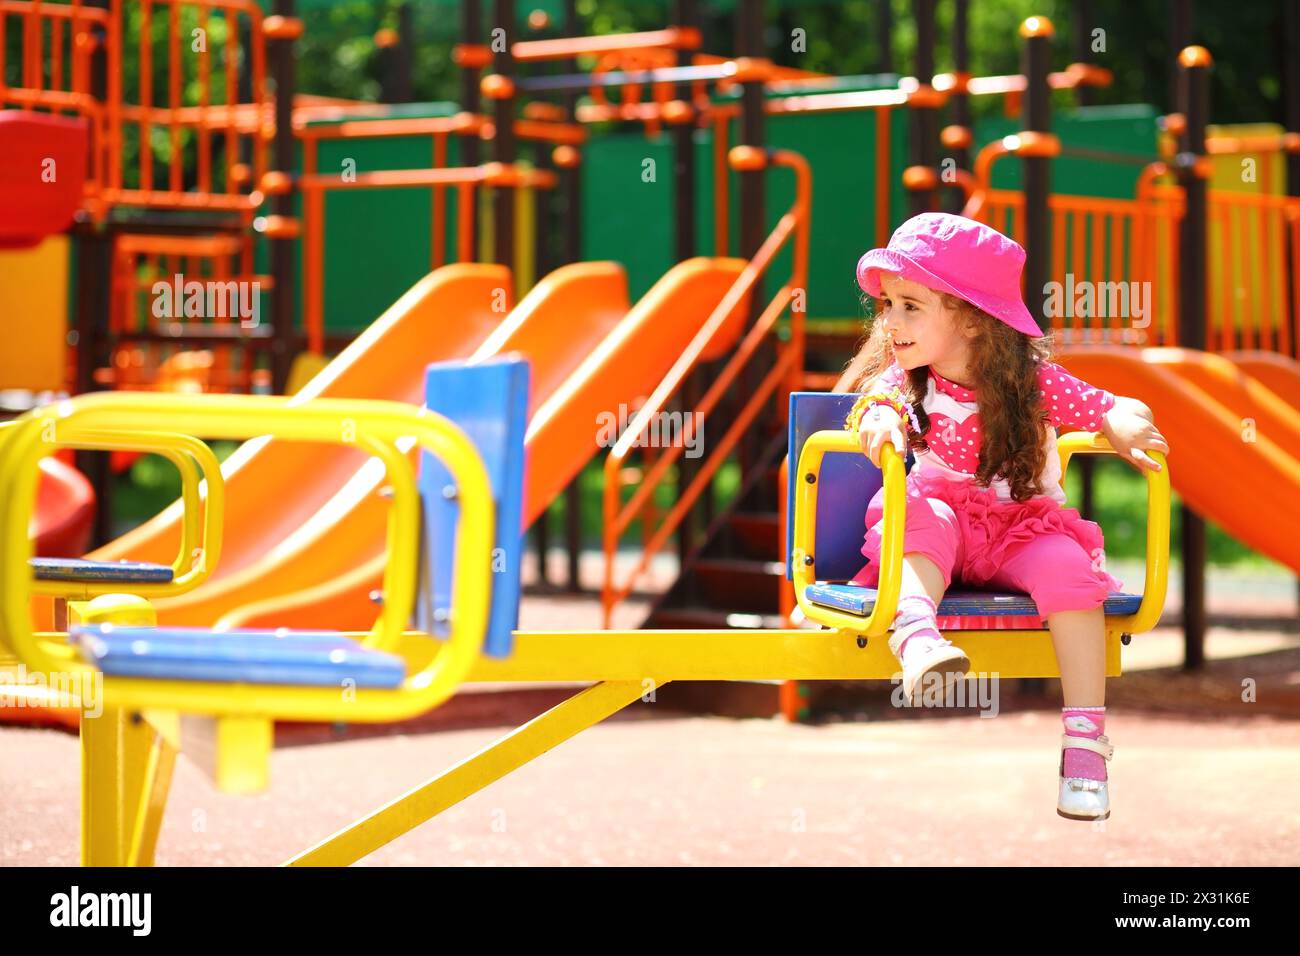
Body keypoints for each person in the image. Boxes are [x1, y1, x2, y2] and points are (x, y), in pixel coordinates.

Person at [840, 212, 1169, 821]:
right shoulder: (906, 380)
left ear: (969, 317)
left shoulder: (1033, 382)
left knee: (1072, 576)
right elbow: (872, 405)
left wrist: (1122, 424)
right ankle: (915, 638)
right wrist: (880, 421)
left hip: (1018, 528)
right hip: (945, 526)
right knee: (918, 513)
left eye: (911, 306)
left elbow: (1108, 406)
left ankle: (1085, 741)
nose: (890, 322)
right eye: (888, 305)